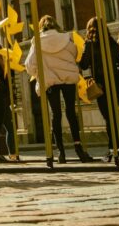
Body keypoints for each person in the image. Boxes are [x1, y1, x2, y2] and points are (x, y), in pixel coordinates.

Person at [25, 15, 94, 163]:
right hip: (68, 78)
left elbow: (29, 65)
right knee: (71, 111)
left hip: (50, 80)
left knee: (56, 114)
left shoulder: (37, 41)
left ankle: (60, 152)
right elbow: (75, 53)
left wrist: (39, 73)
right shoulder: (66, 37)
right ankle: (78, 148)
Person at [80, 17, 119, 161]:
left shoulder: (89, 44)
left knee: (109, 116)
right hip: (115, 84)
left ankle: (115, 149)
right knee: (112, 115)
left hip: (100, 85)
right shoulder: (112, 42)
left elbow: (83, 65)